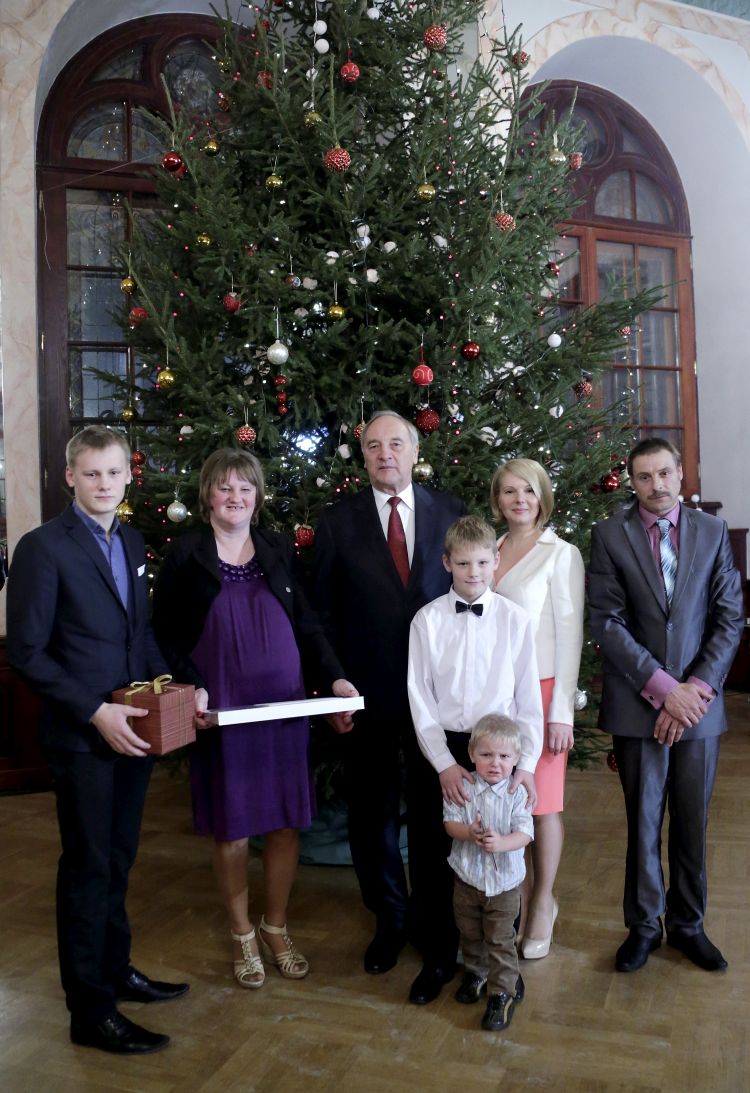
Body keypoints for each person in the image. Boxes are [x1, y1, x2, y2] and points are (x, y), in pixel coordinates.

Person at [7, 425, 188, 1055]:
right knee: (87, 869)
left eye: (113, 473)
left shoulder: (131, 540)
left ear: (127, 476)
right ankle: (89, 1011)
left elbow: (140, 635)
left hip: (133, 731)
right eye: (91, 474)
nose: (104, 484)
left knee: (118, 859)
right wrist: (93, 711)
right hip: (83, 738)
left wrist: (177, 690)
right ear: (70, 478)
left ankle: (115, 971)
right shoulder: (42, 548)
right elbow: (27, 652)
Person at [151, 449, 357, 990]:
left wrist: (335, 679)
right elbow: (163, 634)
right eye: (225, 487)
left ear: (257, 497)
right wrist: (190, 687)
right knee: (233, 826)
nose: (235, 497)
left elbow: (307, 623)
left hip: (283, 707)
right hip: (223, 711)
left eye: (245, 487)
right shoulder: (186, 553)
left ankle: (276, 927)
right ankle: (242, 932)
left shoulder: (277, 548)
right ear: (207, 495)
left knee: (285, 823)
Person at [312, 410, 466, 1003]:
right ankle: (389, 919)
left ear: (414, 451)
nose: (385, 454)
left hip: (438, 700)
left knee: (431, 817)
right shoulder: (337, 523)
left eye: (396, 443)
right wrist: (332, 684)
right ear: (363, 455)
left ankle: (431, 925)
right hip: (364, 695)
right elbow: (320, 615)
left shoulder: (450, 513)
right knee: (371, 816)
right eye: (373, 445)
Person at [589, 437, 744, 973]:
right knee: (643, 821)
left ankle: (689, 925)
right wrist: (663, 689)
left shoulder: (713, 532)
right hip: (638, 707)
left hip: (699, 706)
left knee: (692, 820)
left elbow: (728, 617)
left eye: (664, 473)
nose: (656, 485)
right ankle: (643, 926)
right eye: (644, 477)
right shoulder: (610, 535)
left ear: (680, 474)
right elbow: (607, 622)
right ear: (632, 482)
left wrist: (692, 691)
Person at [407, 514, 544, 998]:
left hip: (499, 751)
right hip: (442, 749)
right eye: (463, 563)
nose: (473, 572)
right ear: (446, 563)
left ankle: (503, 966)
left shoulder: (514, 620)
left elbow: (528, 699)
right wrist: (444, 763)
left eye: (482, 562)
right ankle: (439, 958)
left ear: (495, 561)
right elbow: (420, 697)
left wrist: (526, 766)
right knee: (433, 853)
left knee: (503, 849)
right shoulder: (427, 620)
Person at [490, 459, 584, 959]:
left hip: (543, 692)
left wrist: (561, 712)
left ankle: (543, 901)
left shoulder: (560, 553)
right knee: (507, 803)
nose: (519, 499)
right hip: (496, 695)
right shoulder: (490, 549)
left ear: (542, 496)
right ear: (497, 500)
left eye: (528, 490)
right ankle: (517, 900)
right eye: (509, 491)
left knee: (542, 804)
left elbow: (570, 636)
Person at [444, 715, 533, 1032]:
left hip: (504, 886)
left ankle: (502, 993)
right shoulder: (464, 787)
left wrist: (502, 843)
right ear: (472, 754)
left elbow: (525, 833)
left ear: (516, 758)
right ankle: (476, 973)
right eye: (486, 755)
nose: (495, 763)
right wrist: (468, 832)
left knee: (500, 939)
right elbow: (450, 824)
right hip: (467, 879)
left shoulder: (516, 792)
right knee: (470, 933)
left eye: (504, 756)